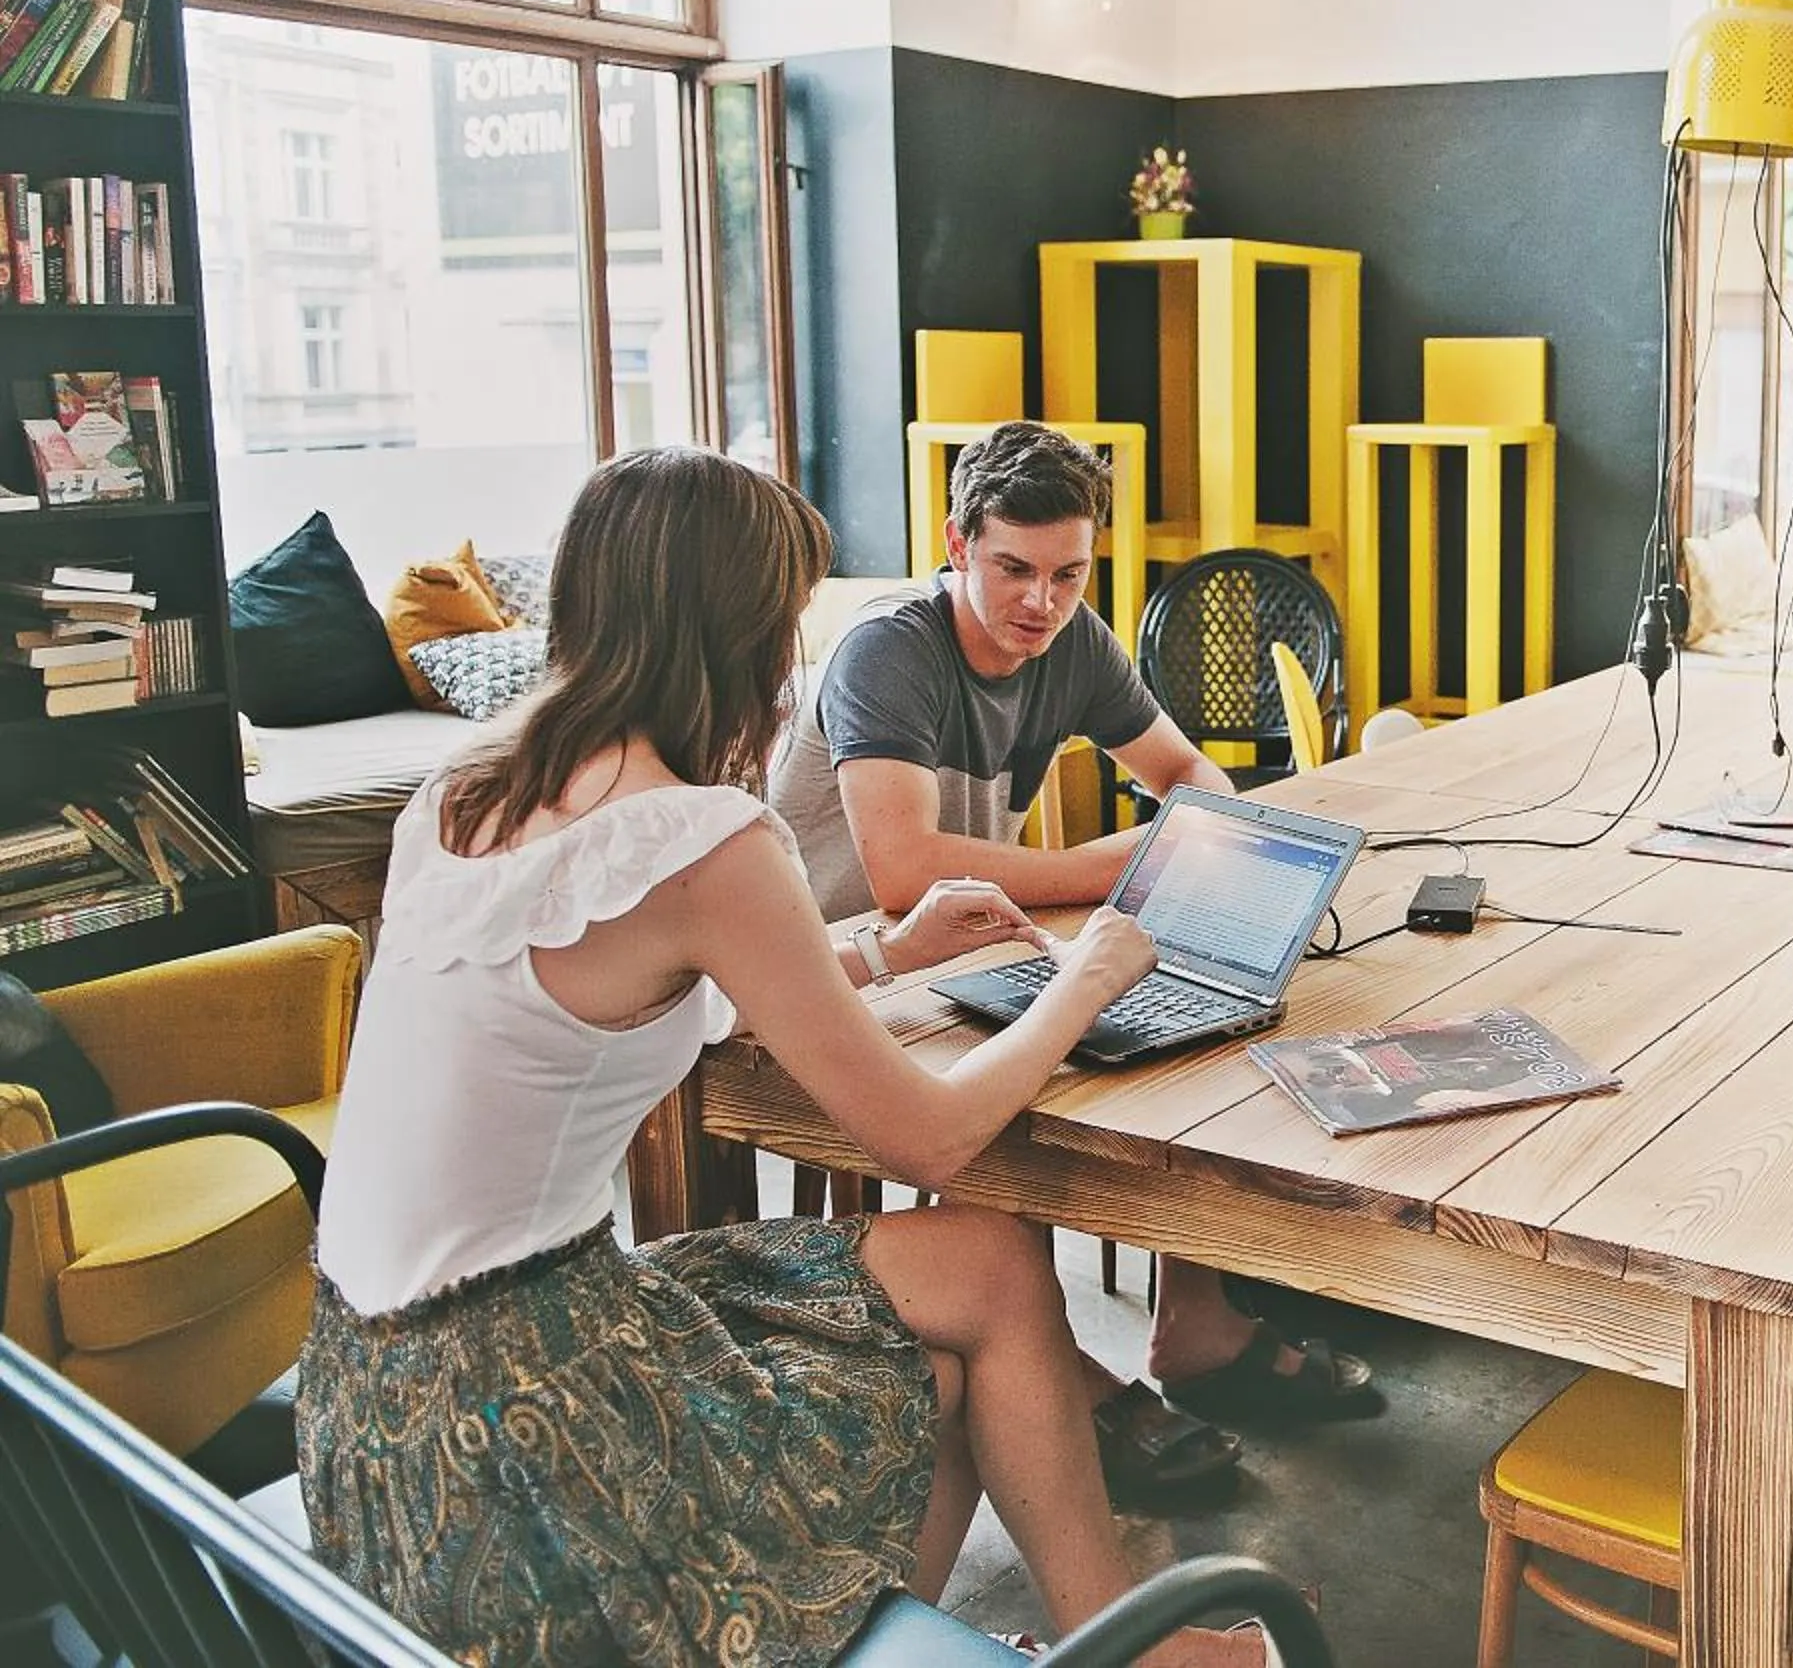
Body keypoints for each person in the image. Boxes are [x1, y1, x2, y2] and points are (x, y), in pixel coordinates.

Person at [297, 448, 1261, 1667]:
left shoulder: (466, 780)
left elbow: (624, 994)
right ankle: (1112, 1652)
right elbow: (932, 1137)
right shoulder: (697, 833)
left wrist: (879, 952)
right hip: (533, 1423)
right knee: (982, 1297)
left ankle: (1043, 1645)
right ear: (739, 629)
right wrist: (1084, 982)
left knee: (978, 1285)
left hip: (373, 1408)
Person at [766, 420, 1379, 1507]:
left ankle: (1193, 1321)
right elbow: (901, 871)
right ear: (957, 542)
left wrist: (1205, 838)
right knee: (1073, 1045)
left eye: (1067, 572)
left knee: (1192, 1025)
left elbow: (1186, 774)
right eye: (1012, 568)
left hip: (970, 951)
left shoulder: (1073, 640)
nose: (1040, 602)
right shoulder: (889, 649)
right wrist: (1119, 861)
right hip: (846, 968)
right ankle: (1054, 1369)